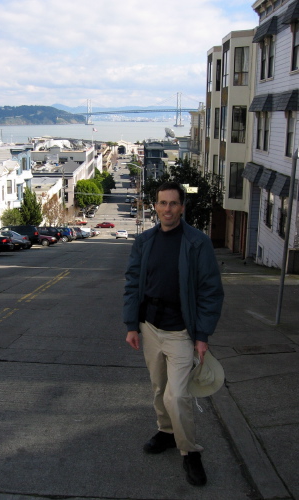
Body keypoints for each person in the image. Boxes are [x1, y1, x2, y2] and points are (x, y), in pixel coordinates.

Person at [123, 181, 224, 487]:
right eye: (162, 203)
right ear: (154, 206)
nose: (167, 209)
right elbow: (132, 283)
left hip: (181, 331)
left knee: (177, 395)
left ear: (182, 207)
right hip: (150, 327)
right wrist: (131, 325)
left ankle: (190, 452)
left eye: (173, 203)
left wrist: (202, 334)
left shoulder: (197, 243)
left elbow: (211, 291)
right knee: (158, 389)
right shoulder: (144, 241)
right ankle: (166, 432)